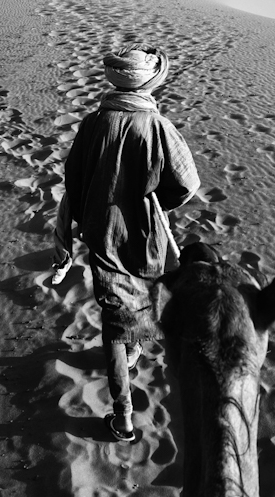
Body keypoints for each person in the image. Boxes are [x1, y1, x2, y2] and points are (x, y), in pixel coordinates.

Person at [60, 43, 200, 443]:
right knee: (130, 308)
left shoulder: (92, 123)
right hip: (145, 233)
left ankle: (126, 383)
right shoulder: (156, 126)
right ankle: (122, 414)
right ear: (148, 83)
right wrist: (157, 201)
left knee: (116, 313)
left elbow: (74, 179)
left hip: (102, 231)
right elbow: (187, 185)